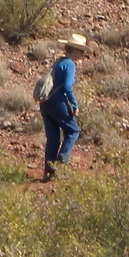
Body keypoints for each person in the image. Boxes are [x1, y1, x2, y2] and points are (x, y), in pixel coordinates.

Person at [39, 33, 87, 181]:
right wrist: (74, 105)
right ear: (75, 50)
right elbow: (67, 87)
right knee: (73, 131)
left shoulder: (59, 62)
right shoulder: (70, 64)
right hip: (58, 102)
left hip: (46, 102)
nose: (83, 54)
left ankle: (49, 171)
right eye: (81, 51)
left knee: (53, 137)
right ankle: (60, 164)